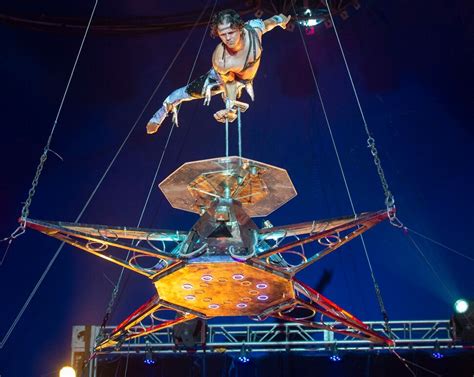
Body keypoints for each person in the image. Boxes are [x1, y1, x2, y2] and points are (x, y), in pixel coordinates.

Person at [146, 9, 291, 134]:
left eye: (231, 32)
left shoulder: (254, 30)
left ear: (240, 28)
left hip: (243, 78)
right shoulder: (221, 59)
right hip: (221, 79)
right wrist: (230, 108)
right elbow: (229, 83)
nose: (228, 38)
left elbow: (268, 23)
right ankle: (159, 115)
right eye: (223, 34)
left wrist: (280, 20)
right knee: (181, 94)